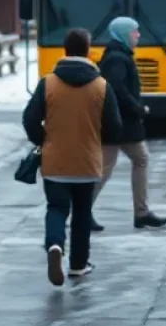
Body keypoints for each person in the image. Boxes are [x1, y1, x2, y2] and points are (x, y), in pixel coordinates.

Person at [22, 27, 122, 286]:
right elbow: (114, 126)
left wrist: (43, 139)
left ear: (65, 50)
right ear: (88, 50)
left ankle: (55, 245)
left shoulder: (49, 83)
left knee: (56, 207)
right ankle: (78, 264)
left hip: (55, 160)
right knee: (81, 213)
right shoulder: (101, 86)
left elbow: (30, 118)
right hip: (87, 161)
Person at [92, 16, 166, 230]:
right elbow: (117, 89)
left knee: (119, 163)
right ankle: (140, 212)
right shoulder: (117, 58)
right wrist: (136, 107)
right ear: (125, 34)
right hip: (120, 123)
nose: (138, 35)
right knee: (126, 162)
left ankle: (141, 212)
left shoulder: (118, 55)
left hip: (119, 122)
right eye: (135, 31)